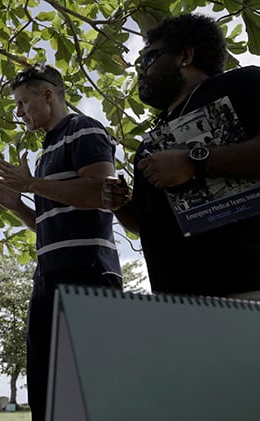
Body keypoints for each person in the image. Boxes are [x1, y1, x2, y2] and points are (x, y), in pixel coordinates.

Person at [0, 64, 122, 420]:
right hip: (47, 278)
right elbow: (48, 223)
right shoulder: (44, 153)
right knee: (46, 396)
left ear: (47, 95)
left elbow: (102, 192)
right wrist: (17, 206)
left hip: (88, 275)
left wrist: (31, 185)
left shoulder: (84, 129)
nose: (18, 112)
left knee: (92, 394)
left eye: (22, 102)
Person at [102, 13, 260, 299]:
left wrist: (194, 162)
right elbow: (144, 224)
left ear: (185, 56)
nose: (141, 72)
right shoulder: (149, 143)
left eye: (148, 60)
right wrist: (121, 205)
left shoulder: (243, 83)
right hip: (176, 305)